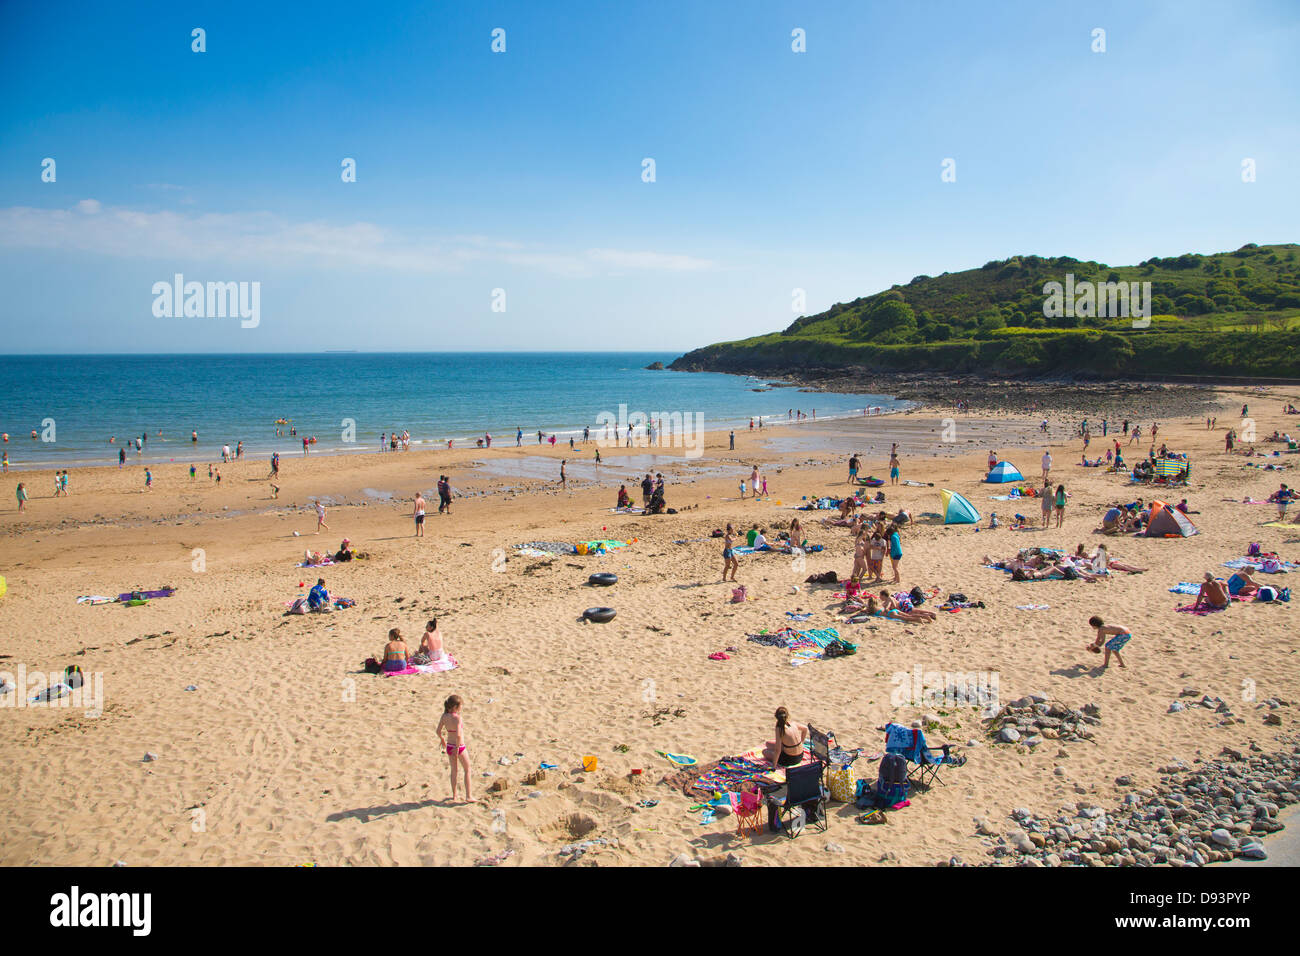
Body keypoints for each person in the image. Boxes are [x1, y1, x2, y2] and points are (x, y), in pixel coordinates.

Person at [437, 695, 472, 802]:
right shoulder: (457, 718)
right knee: (467, 769)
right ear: (456, 707)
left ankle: (454, 795)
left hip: (449, 746)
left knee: (454, 771)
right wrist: (457, 748)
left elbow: (438, 731)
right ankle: (469, 796)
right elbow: (458, 735)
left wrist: (442, 740)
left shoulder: (444, 716)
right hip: (459, 746)